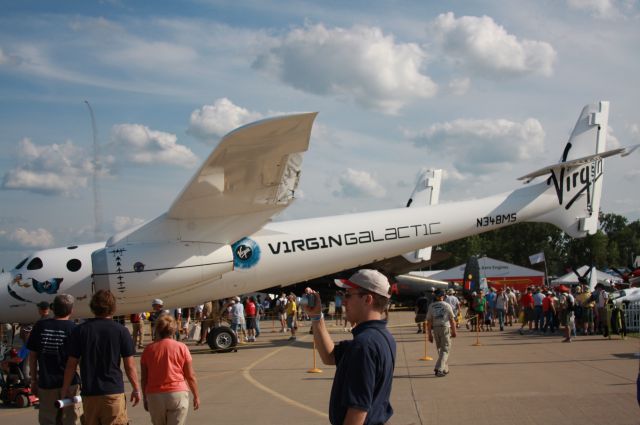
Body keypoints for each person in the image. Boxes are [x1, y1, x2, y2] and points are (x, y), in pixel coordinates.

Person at [304, 269, 395, 425]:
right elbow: (330, 356)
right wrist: (316, 316)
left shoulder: (364, 345)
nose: (343, 301)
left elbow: (357, 410)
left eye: (348, 295)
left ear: (367, 299)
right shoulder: (381, 336)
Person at [61, 289, 140, 425]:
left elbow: (71, 364)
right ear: (113, 308)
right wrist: (136, 388)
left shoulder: (80, 330)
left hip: (90, 392)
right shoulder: (121, 331)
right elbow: (130, 365)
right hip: (113, 392)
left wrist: (65, 388)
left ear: (93, 307)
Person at [27, 294, 82, 425]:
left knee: (48, 420)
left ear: (53, 309)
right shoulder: (74, 329)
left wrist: (34, 380)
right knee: (71, 419)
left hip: (47, 384)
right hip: (69, 384)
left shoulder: (40, 326)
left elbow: (33, 356)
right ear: (71, 310)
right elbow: (79, 360)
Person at [141, 315, 199, 425]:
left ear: (157, 329)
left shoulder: (148, 350)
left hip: (155, 395)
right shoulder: (181, 347)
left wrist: (145, 397)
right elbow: (190, 375)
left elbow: (144, 378)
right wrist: (196, 395)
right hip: (177, 393)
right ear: (174, 330)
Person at [426, 289, 457, 377]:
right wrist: (454, 331)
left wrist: (429, 334)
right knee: (445, 350)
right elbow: (452, 319)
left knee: (440, 350)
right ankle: (439, 369)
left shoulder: (431, 306)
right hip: (445, 328)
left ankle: (444, 368)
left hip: (436, 329)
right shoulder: (447, 305)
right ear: (443, 296)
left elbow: (429, 321)